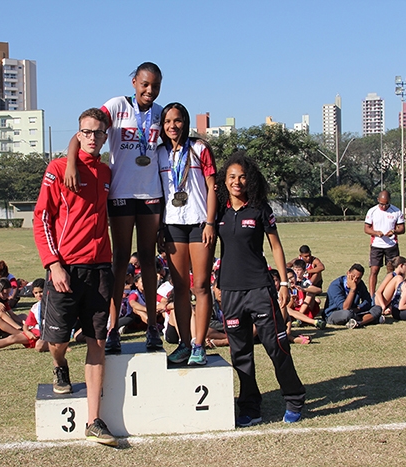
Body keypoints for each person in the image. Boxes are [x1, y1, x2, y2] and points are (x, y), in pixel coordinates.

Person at [64, 62, 164, 353]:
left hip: (150, 194)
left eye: (155, 86)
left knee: (148, 259)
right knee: (120, 260)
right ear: (134, 82)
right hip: (121, 191)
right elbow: (83, 131)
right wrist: (71, 162)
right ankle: (113, 328)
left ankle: (153, 328)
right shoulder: (117, 106)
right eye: (144, 84)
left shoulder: (160, 113)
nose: (149, 90)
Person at [35, 107, 118, 446]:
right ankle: (59, 364)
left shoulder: (107, 172)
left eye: (99, 133)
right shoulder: (57, 169)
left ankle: (94, 421)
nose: (93, 137)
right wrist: (53, 264)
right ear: (78, 134)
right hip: (65, 268)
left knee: (97, 341)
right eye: (87, 132)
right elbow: (42, 219)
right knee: (58, 341)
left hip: (100, 267)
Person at [215, 152, 305, 427]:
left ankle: (294, 398)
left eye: (242, 176)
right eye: (232, 177)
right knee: (239, 352)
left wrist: (286, 283)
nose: (237, 182)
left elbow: (276, 246)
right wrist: (214, 284)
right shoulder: (218, 212)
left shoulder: (260, 209)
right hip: (230, 291)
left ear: (250, 179)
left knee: (275, 346)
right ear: (224, 180)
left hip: (259, 288)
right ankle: (250, 406)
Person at [155, 102, 217, 365]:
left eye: (177, 121)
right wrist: (158, 228)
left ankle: (199, 345)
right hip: (172, 225)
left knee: (201, 285)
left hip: (199, 224)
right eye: (168, 121)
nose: (172, 126)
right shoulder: (158, 153)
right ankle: (183, 343)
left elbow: (213, 185)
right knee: (180, 287)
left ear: (186, 122)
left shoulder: (200, 148)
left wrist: (211, 223)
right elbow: (157, 193)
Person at [364, 190, 405, 296]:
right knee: (374, 270)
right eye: (381, 204)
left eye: (386, 204)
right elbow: (366, 228)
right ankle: (372, 295)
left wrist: (394, 231)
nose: (383, 206)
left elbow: (402, 229)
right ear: (378, 200)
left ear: (389, 201)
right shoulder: (372, 211)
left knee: (392, 271)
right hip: (376, 245)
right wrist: (376, 232)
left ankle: (389, 293)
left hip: (391, 245)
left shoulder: (396, 211)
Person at [322, 264, 378, 328]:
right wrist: (352, 289)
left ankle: (358, 323)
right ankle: (369, 319)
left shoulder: (360, 284)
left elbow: (368, 301)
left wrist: (358, 308)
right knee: (347, 314)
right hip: (335, 313)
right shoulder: (336, 285)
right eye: (353, 276)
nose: (355, 280)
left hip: (354, 311)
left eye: (358, 278)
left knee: (377, 308)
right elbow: (344, 307)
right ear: (348, 273)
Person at [23, 278, 49, 352]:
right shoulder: (35, 307)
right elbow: (26, 325)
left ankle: (58, 347)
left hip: (49, 334)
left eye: (41, 292)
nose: (39, 295)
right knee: (13, 338)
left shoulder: (53, 304)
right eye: (36, 293)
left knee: (39, 346)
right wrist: (27, 332)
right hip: (36, 333)